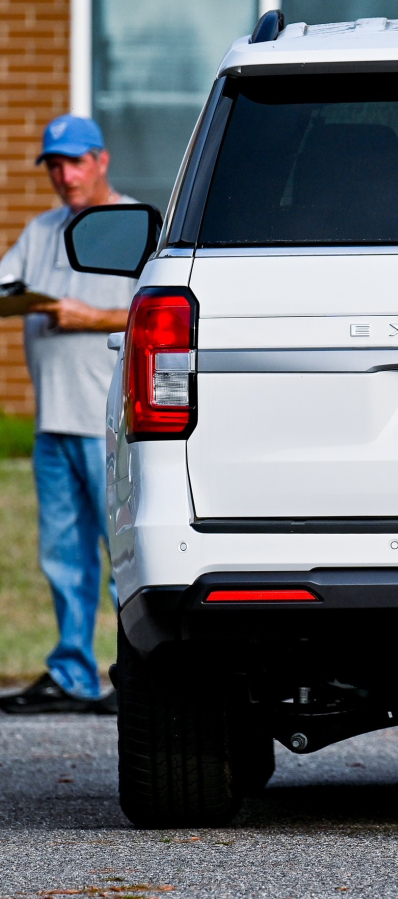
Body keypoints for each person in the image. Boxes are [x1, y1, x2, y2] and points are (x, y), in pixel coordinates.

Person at [0, 115, 137, 714]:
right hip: (53, 422)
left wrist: (89, 317)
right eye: (54, 165)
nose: (64, 175)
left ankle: (133, 673)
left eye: (74, 162)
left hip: (109, 425)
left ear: (101, 160)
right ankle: (72, 673)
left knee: (123, 557)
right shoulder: (41, 230)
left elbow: (159, 308)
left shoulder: (134, 225)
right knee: (63, 556)